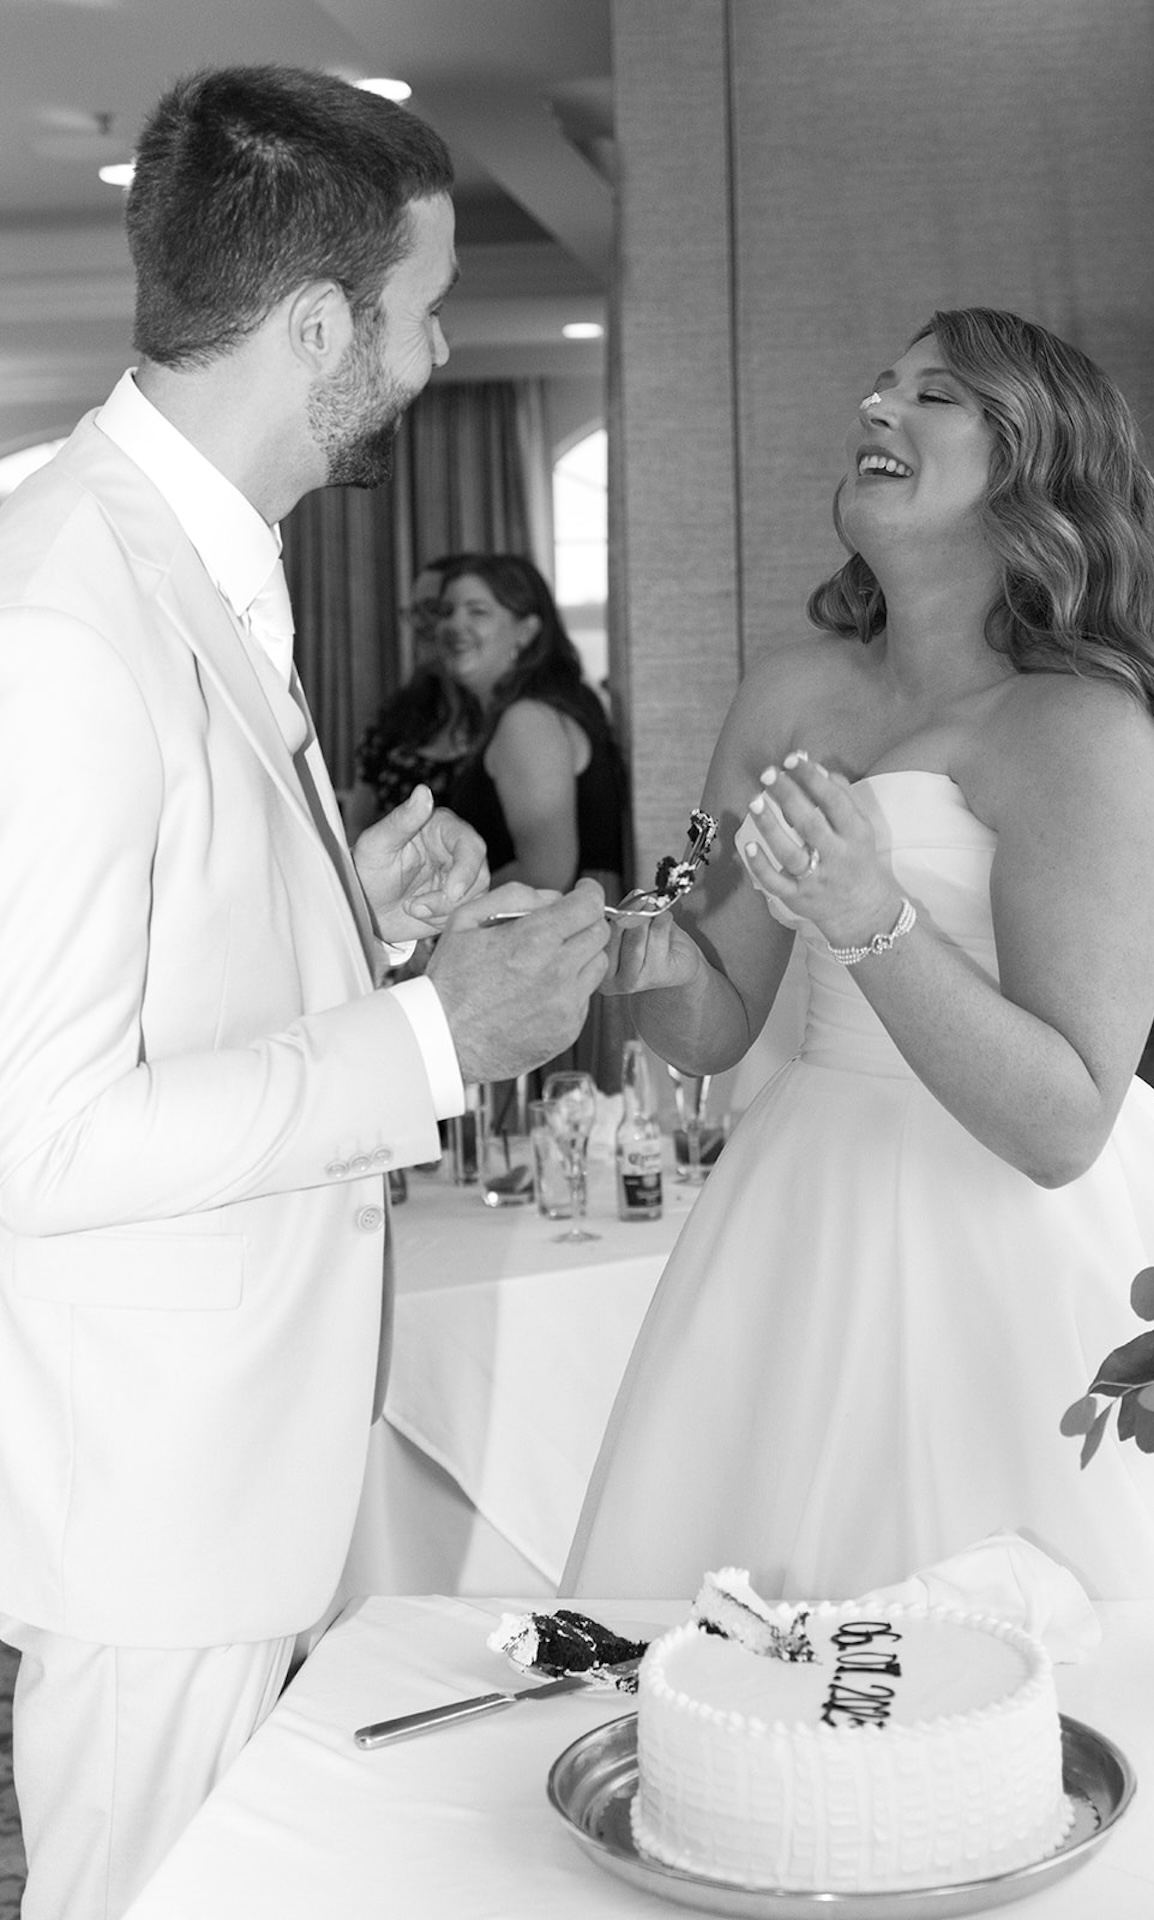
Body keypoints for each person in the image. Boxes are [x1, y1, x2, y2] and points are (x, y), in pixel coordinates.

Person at [0, 65, 610, 1920]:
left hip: (234, 1455)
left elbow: (167, 970)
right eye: (423, 311)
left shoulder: (187, 554)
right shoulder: (61, 610)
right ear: (320, 326)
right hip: (152, 1490)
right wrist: (435, 1038)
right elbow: (38, 1136)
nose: (436, 355)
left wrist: (356, 915)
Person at [562, 307, 1154, 1609]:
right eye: (881, 385)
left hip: (1009, 1248)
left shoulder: (1085, 730)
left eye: (933, 396)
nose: (875, 407)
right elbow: (714, 1024)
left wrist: (869, 920)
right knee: (728, 1635)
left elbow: (1061, 1125)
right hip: (797, 1209)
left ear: (1034, 467)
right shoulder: (790, 693)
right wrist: (635, 960)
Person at [433, 551, 630, 1087]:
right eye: (447, 611)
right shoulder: (533, 711)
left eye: (478, 611)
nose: (454, 625)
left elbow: (547, 872)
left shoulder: (527, 720)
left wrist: (443, 920)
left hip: (554, 954)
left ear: (526, 630)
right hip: (562, 947)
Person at [348, 557, 475, 831]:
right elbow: (356, 829)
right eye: (413, 612)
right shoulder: (394, 719)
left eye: (433, 609)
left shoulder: (512, 723)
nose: (418, 624)